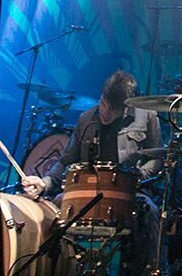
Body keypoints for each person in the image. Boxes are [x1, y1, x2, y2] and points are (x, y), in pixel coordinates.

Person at [22, 70, 162, 271]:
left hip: (129, 191)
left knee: (150, 212)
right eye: (103, 103)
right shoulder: (85, 119)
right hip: (87, 191)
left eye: (112, 108)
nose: (105, 111)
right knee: (54, 206)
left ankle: (143, 270)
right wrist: (45, 182)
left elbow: (157, 157)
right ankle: (54, 268)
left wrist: (138, 176)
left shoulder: (147, 116)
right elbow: (66, 160)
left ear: (126, 108)